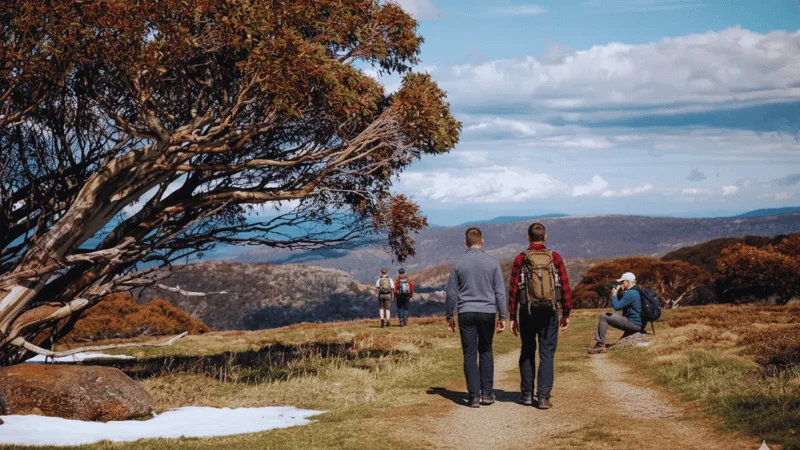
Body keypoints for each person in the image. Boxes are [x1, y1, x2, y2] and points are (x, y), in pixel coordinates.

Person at [507, 222, 572, 410]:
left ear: (528, 237)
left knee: (527, 351)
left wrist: (513, 317)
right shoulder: (555, 258)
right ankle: (543, 397)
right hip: (549, 312)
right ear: (545, 237)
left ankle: (526, 394)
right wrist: (566, 313)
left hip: (527, 311)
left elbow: (513, 290)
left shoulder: (521, 259)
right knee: (547, 354)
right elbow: (565, 287)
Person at [445, 227, 507, 408]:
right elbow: (500, 293)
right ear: (482, 241)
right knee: (486, 351)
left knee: (470, 354)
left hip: (466, 312)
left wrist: (449, 316)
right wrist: (502, 315)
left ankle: (473, 396)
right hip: (487, 312)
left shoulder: (458, 264)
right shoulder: (493, 263)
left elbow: (451, 294)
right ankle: (487, 394)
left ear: (466, 242)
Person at [588, 272, 644, 354]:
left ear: (628, 281)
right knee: (605, 316)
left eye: (622, 282)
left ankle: (600, 345)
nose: (621, 283)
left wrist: (614, 295)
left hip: (633, 324)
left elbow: (616, 307)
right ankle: (600, 344)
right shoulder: (636, 291)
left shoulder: (630, 293)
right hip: (637, 323)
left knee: (603, 316)